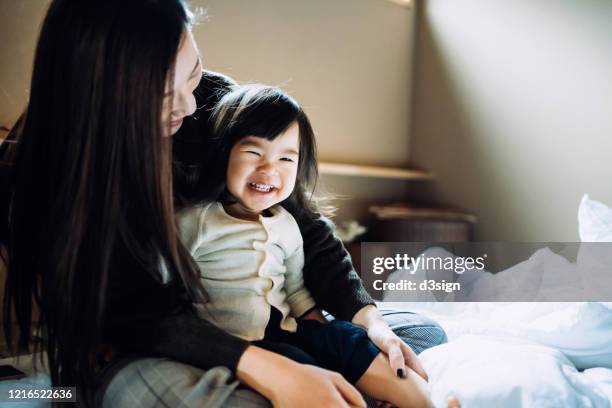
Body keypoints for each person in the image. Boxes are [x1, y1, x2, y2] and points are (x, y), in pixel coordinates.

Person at [0, 0, 451, 407]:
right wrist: (268, 368)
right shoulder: (36, 175)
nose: (190, 103)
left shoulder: (213, 104)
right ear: (103, 99)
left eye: (193, 71)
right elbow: (132, 314)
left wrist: (371, 322)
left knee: (418, 334)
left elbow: (307, 227)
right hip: (143, 344)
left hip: (265, 327)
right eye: (161, 97)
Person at [176, 83, 432, 407]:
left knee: (350, 341)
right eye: (253, 153)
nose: (269, 169)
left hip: (289, 329)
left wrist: (329, 334)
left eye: (286, 158)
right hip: (236, 345)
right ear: (222, 152)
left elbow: (296, 291)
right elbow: (163, 288)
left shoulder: (287, 224)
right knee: (303, 365)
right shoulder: (195, 220)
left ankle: (423, 402)